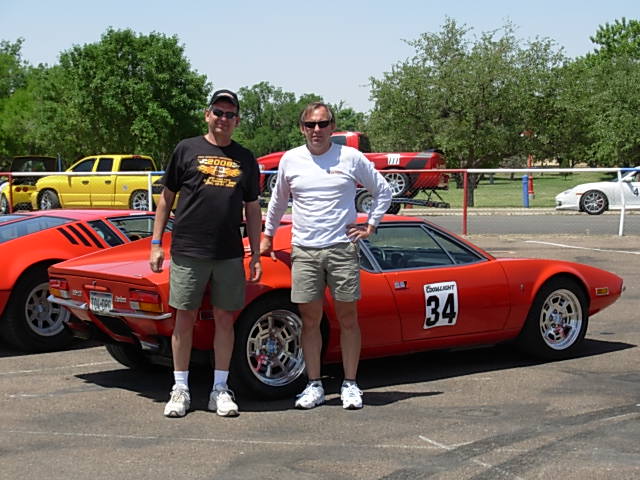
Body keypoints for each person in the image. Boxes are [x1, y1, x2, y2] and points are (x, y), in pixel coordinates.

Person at [260, 102, 392, 410]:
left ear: (333, 127)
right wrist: (267, 236)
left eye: (323, 124)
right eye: (310, 124)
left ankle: (350, 384)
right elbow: (278, 202)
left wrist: (370, 225)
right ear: (301, 128)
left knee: (348, 319)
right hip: (305, 251)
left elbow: (383, 191)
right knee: (309, 321)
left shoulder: (350, 157)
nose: (316, 130)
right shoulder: (290, 160)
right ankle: (314, 384)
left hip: (342, 250)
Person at [149, 89, 262, 418]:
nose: (223, 119)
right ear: (206, 115)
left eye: (230, 115)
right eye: (218, 112)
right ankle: (180, 388)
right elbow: (166, 199)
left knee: (225, 319)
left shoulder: (245, 157)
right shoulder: (186, 149)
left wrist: (254, 253)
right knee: (183, 318)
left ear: (237, 121)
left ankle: (220, 389)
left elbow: (252, 210)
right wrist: (156, 244)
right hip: (188, 249)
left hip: (228, 253)